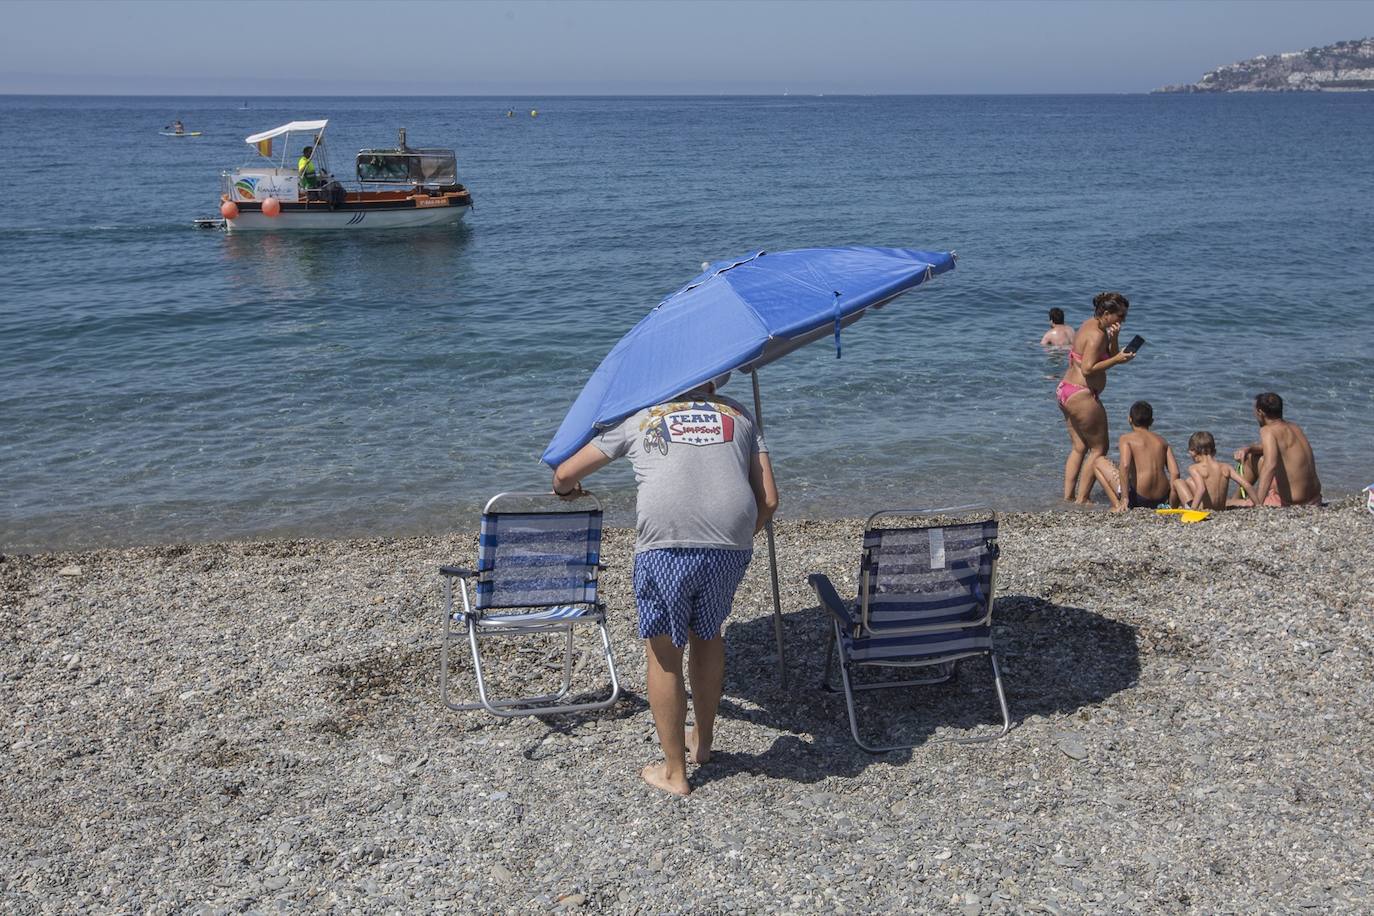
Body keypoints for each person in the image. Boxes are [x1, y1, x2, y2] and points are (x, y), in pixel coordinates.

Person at [551, 373, 778, 796]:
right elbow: (768, 500)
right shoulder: (739, 412)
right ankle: (703, 743)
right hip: (728, 545)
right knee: (708, 635)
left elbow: (564, 473)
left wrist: (566, 489)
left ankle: (675, 772)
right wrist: (741, 539)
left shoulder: (640, 415)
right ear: (717, 376)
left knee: (664, 653)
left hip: (665, 545)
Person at [1056, 292, 1137, 504]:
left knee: (1080, 447)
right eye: (1120, 317)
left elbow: (1108, 354)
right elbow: (1089, 368)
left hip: (1065, 390)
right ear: (1107, 313)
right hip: (1081, 395)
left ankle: (1068, 497)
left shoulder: (1091, 325)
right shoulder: (1097, 335)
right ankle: (1082, 498)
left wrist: (1116, 339)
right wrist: (1118, 360)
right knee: (1100, 448)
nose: (1123, 321)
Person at [1233, 392, 1322, 507]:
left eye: (1255, 411)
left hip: (1296, 503)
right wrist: (1249, 449)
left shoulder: (1267, 430)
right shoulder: (1294, 427)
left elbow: (1270, 466)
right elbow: (1278, 448)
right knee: (1252, 457)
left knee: (1228, 503)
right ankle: (1240, 496)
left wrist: (1258, 504)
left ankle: (1236, 499)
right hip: (1315, 498)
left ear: (1260, 412)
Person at [1093, 400, 1179, 511]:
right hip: (1161, 499)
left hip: (1139, 498)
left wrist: (1125, 497)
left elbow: (1125, 466)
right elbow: (1175, 473)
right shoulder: (1162, 441)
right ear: (1151, 421)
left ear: (1129, 419)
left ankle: (1118, 505)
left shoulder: (1126, 439)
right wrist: (1171, 502)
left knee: (1098, 462)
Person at [1174, 431, 1249, 510]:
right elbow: (1246, 484)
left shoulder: (1194, 468)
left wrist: (1193, 510)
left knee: (1178, 482)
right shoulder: (1226, 467)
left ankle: (1172, 508)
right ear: (1214, 451)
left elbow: (1201, 489)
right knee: (1189, 481)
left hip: (1203, 510)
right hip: (1221, 509)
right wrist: (1258, 506)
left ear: (1192, 451)